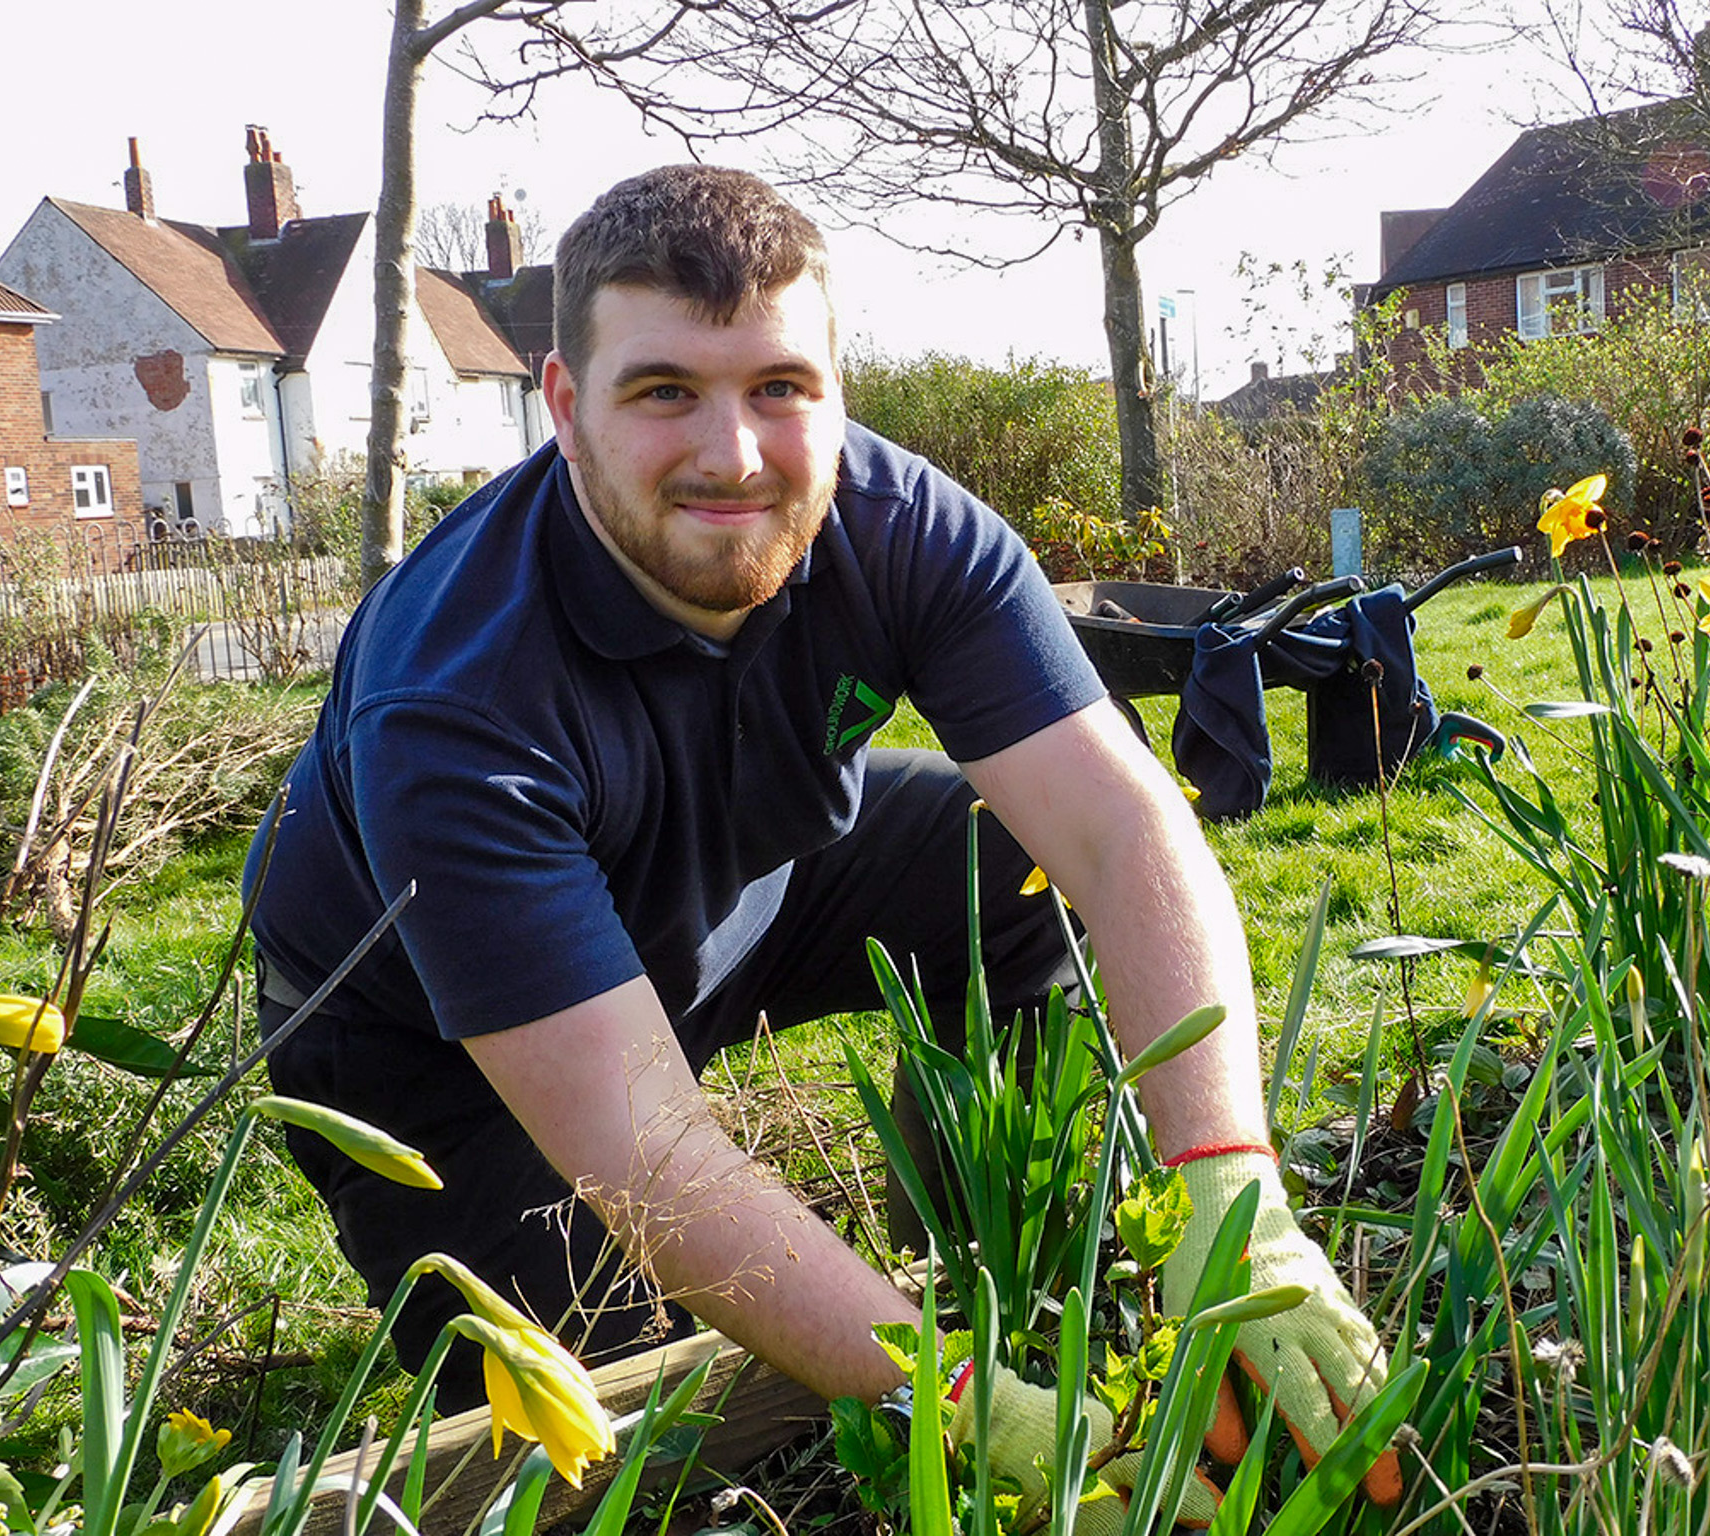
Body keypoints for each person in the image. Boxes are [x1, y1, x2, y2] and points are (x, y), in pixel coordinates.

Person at [243, 163, 1398, 1502]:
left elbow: (1126, 840)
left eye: (780, 388)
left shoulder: (907, 530)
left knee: (1005, 859)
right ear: (564, 406)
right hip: (439, 1059)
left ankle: (991, 1261)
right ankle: (964, 1375)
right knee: (652, 1455)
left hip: (737, 895)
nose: (734, 454)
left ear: (839, 388)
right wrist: (948, 1408)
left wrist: (1228, 1192)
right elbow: (643, 1148)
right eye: (665, 390)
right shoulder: (453, 700)